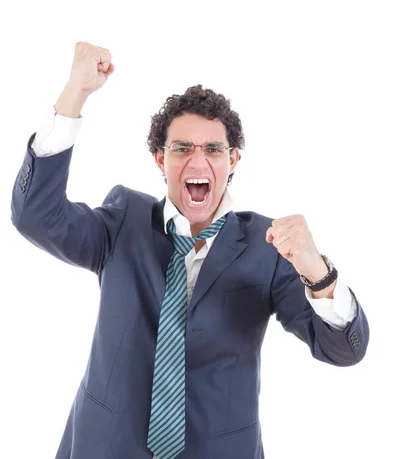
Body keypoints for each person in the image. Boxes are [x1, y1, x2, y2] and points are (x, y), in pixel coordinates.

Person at [11, 42, 369, 459]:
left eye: (213, 149)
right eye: (182, 148)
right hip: (105, 445)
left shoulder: (267, 245)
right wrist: (76, 92)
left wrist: (317, 272)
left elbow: (345, 349)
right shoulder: (124, 220)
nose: (198, 161)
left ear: (232, 159)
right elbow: (34, 215)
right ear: (160, 159)